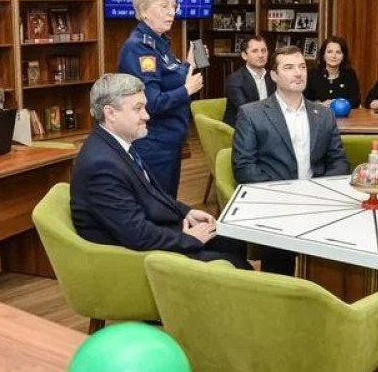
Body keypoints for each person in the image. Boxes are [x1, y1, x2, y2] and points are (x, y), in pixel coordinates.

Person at [71, 73, 250, 268]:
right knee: (235, 264)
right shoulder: (101, 165)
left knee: (233, 240)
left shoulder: (118, 145)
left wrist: (186, 212)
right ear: (110, 113)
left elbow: (152, 195)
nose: (146, 115)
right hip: (139, 259)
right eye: (138, 108)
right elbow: (137, 235)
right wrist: (188, 239)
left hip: (155, 231)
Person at [232, 46, 350, 275]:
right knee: (279, 278)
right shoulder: (252, 114)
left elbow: (339, 161)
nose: (298, 73)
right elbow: (244, 168)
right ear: (274, 76)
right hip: (275, 207)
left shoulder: (324, 114)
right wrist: (286, 196)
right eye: (288, 67)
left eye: (302, 67)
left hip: (320, 203)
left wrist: (321, 192)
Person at [117, 0, 202, 196]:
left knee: (168, 201)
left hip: (170, 140)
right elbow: (152, 102)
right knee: (159, 203)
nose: (171, 12)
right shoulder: (140, 48)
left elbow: (169, 76)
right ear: (144, 10)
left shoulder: (160, 42)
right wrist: (187, 90)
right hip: (153, 143)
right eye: (164, 6)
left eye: (174, 6)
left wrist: (189, 64)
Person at [222, 35, 273, 126]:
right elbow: (246, 110)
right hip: (243, 126)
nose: (261, 55)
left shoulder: (273, 76)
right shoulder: (234, 80)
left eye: (264, 50)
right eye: (255, 51)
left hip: (268, 123)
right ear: (244, 56)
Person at [304, 35, 361, 107]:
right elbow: (303, 100)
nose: (334, 56)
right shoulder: (312, 74)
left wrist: (335, 104)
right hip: (317, 113)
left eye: (338, 52)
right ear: (323, 55)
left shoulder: (349, 74)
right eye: (329, 52)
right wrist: (320, 105)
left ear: (343, 56)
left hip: (344, 113)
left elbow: (356, 101)